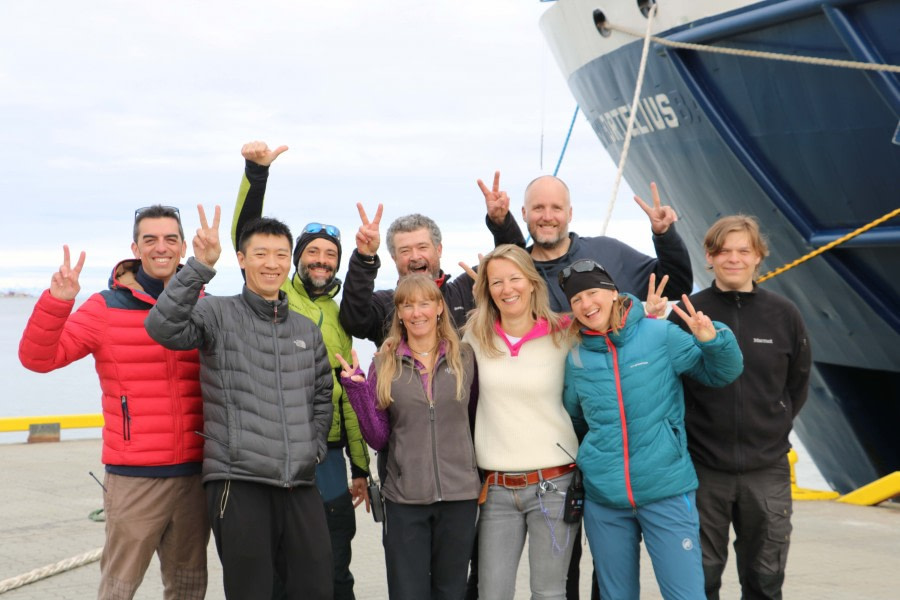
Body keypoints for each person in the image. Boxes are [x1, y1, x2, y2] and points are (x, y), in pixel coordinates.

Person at [18, 205, 208, 600]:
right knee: (119, 587)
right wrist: (57, 302)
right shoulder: (105, 307)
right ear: (134, 247)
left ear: (184, 246)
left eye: (170, 239)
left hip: (195, 474)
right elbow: (38, 359)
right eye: (150, 239)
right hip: (134, 476)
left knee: (189, 587)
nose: (161, 248)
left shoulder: (203, 304)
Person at [145, 208, 334, 600]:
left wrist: (313, 449)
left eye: (281, 255)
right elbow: (162, 327)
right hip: (238, 480)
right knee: (252, 591)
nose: (272, 263)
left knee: (315, 588)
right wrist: (198, 266)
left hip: (299, 482)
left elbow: (321, 395)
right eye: (261, 253)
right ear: (242, 259)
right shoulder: (217, 312)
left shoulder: (305, 328)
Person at [232, 140, 371, 600]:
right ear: (296, 259)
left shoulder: (342, 315)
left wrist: (360, 467)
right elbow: (248, 235)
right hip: (274, 454)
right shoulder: (272, 294)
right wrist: (256, 175)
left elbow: (348, 393)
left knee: (335, 566)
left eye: (329, 256)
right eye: (312, 253)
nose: (320, 261)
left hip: (329, 457)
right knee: (277, 571)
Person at [560, 259, 744, 600]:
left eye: (592, 293)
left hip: (666, 490)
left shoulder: (660, 335)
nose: (586, 305)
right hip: (605, 500)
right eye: (576, 300)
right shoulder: (576, 358)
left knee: (685, 596)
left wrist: (713, 340)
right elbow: (577, 420)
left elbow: (722, 374)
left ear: (614, 293)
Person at [669, 215, 811, 599]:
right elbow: (668, 386)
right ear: (709, 257)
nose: (734, 258)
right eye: (724, 251)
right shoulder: (686, 314)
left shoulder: (784, 315)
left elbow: (796, 384)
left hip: (767, 470)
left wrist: (770, 425)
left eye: (743, 251)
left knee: (765, 578)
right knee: (700, 578)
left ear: (758, 257)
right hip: (700, 469)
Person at [335, 274, 480, 600]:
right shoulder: (383, 364)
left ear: (439, 307)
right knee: (407, 593)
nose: (417, 312)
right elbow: (378, 437)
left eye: (425, 303)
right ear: (399, 313)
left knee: (451, 592)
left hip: (460, 497)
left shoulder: (465, 357)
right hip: (404, 500)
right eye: (408, 305)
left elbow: (472, 420)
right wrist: (357, 390)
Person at [461, 244, 578, 600]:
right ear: (486, 290)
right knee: (491, 593)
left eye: (514, 278)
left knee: (549, 592)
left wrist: (646, 313)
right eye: (496, 282)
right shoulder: (474, 338)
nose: (506, 289)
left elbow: (612, 330)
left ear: (531, 282)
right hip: (495, 489)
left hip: (554, 485)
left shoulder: (564, 333)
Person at [340, 170, 525, 347]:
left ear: (439, 249)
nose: (415, 257)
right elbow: (354, 321)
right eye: (405, 251)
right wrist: (365, 258)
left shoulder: (470, 288)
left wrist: (501, 223)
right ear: (394, 257)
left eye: (422, 247)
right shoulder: (386, 304)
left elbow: (518, 262)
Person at [482, 173, 693, 312]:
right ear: (524, 213)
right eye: (538, 208)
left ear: (570, 213)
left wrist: (665, 235)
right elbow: (510, 261)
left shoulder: (608, 251)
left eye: (556, 208)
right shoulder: (517, 277)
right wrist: (501, 223)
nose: (547, 216)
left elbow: (676, 286)